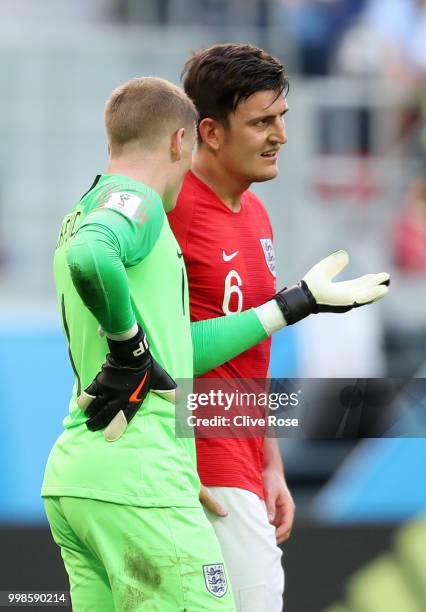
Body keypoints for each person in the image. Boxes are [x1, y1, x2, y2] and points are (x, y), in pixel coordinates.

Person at [42, 75, 389, 612]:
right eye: (262, 120)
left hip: (85, 473)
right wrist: (128, 348)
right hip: (144, 475)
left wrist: (295, 303)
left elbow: (178, 350)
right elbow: (96, 257)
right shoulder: (142, 202)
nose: (281, 135)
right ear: (187, 139)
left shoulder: (80, 210)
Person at [168, 43, 389, 611]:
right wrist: (170, 466)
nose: (281, 136)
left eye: (282, 118)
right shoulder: (172, 212)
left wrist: (270, 461)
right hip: (197, 465)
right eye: (262, 121)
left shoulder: (257, 212)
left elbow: (250, 358)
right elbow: (155, 349)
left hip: (242, 462)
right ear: (211, 132)